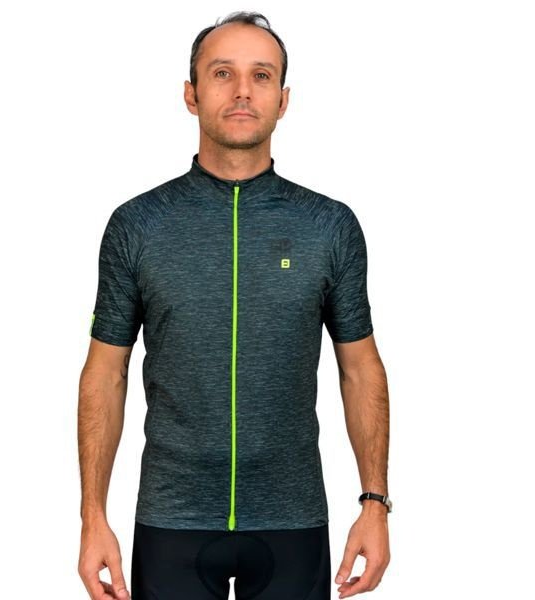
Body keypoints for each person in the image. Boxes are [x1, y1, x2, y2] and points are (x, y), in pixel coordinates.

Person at [78, 11, 391, 600]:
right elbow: (105, 372)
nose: (243, 90)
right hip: (171, 519)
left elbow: (360, 368)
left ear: (283, 99)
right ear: (191, 95)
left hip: (293, 518)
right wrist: (92, 516)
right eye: (223, 73)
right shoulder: (137, 225)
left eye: (261, 75)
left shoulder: (329, 226)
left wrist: (375, 503)